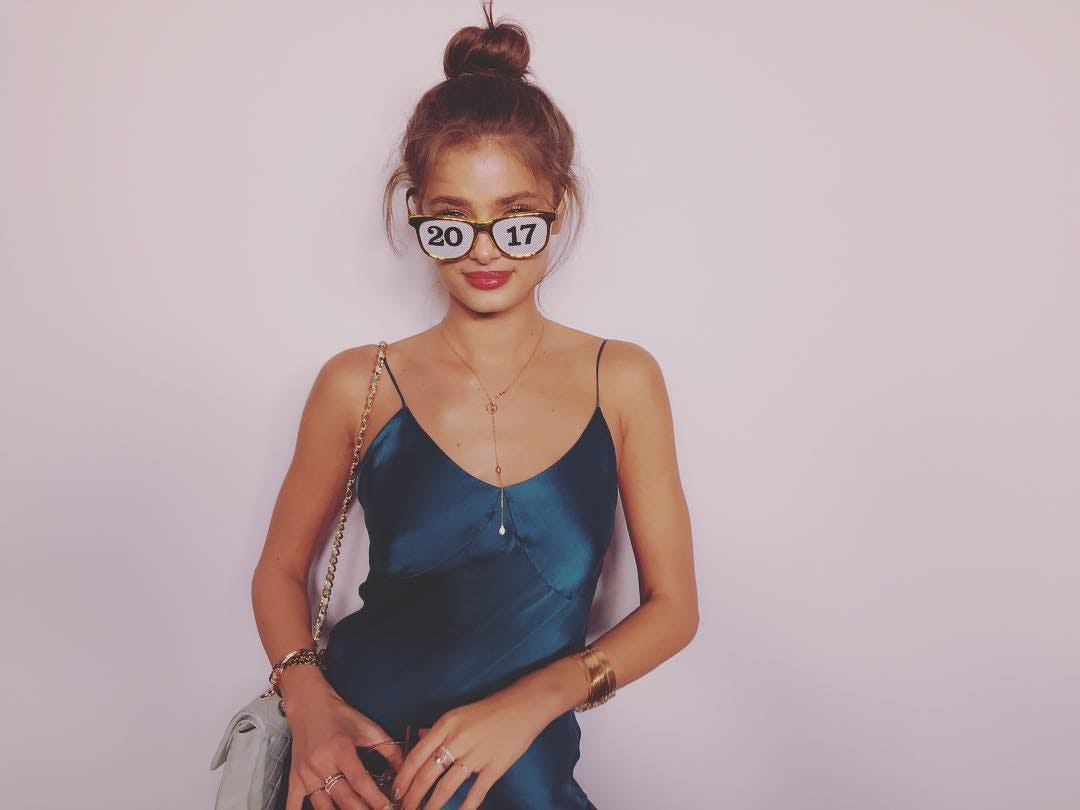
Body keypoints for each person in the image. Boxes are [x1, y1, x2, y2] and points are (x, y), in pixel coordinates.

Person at [251, 4, 698, 808]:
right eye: (452, 222)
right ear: (415, 211)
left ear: (559, 205)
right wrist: (310, 708)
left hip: (526, 782)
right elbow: (282, 570)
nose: (485, 250)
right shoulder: (360, 383)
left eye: (516, 221)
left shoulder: (622, 380)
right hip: (356, 777)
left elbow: (673, 610)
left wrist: (534, 701)